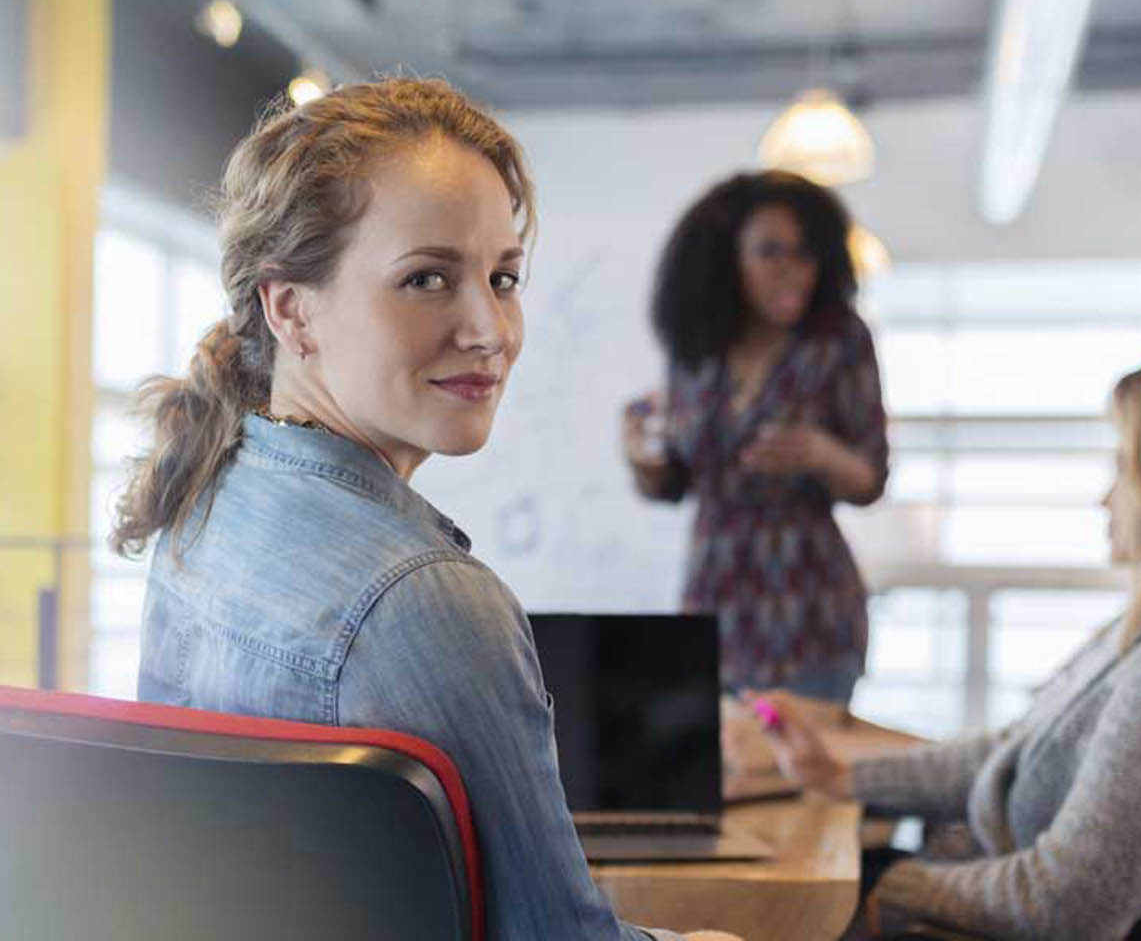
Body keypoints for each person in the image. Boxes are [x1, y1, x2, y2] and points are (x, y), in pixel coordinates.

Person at [112, 77, 737, 941]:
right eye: (427, 279)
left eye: (504, 276)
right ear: (292, 308)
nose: (489, 328)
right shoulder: (423, 599)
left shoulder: (206, 501)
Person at [747, 336, 1141, 939]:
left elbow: (1062, 905)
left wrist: (887, 889)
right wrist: (843, 777)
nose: (1105, 498)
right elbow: (1008, 753)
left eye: (1125, 466)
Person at [623, 170, 889, 705]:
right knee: (711, 779)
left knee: (805, 781)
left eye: (805, 254)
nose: (793, 271)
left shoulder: (838, 342)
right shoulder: (695, 351)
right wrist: (640, 459)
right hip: (713, 604)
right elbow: (675, 480)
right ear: (725, 259)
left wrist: (819, 453)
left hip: (810, 613)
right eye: (770, 252)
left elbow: (870, 479)